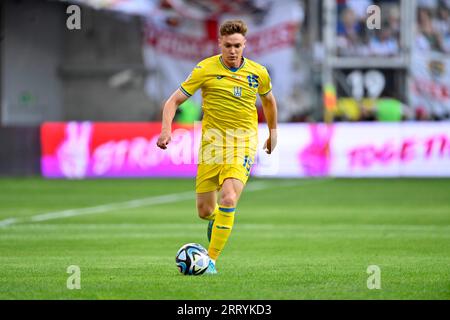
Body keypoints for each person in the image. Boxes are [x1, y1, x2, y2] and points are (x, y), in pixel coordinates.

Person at [156, 20, 278, 274]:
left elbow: (268, 101)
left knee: (229, 197)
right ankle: (220, 221)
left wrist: (272, 132)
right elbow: (173, 101)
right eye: (228, 46)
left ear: (245, 45)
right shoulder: (204, 69)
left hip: (243, 142)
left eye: (237, 46)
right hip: (212, 145)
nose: (233, 51)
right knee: (205, 211)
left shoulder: (258, 73)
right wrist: (166, 129)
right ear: (219, 44)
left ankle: (210, 260)